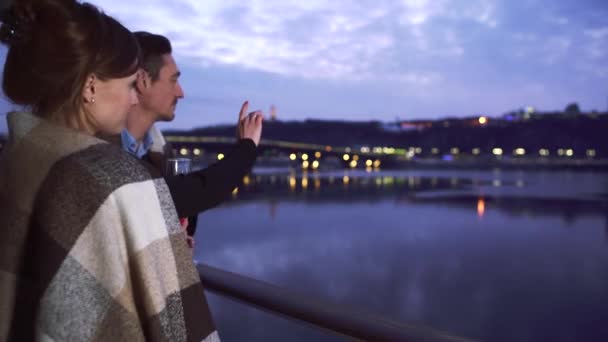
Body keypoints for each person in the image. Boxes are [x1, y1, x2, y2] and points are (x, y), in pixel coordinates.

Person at [0, 1, 218, 340]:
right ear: (90, 86)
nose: (134, 100)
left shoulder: (15, 159)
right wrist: (166, 258)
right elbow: (178, 324)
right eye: (131, 85)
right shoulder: (117, 179)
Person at [120, 31, 263, 247]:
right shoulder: (105, 153)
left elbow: (184, 203)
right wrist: (246, 148)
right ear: (142, 81)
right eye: (173, 80)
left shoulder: (161, 151)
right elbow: (185, 194)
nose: (181, 93)